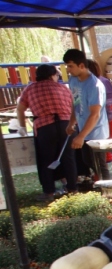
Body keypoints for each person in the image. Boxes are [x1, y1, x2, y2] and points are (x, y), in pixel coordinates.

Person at [16, 64, 78, 200]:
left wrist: (22, 127)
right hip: (66, 125)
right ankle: (72, 188)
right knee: (69, 158)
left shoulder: (30, 88)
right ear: (51, 75)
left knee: (46, 160)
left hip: (44, 127)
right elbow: (73, 107)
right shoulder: (63, 88)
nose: (57, 78)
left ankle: (49, 192)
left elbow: (20, 108)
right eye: (56, 75)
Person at [63, 49, 110, 182]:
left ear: (82, 66)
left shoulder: (94, 85)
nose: (68, 70)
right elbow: (76, 103)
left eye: (71, 66)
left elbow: (95, 114)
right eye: (67, 66)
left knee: (100, 166)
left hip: (97, 132)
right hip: (83, 129)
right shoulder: (73, 80)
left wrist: (81, 136)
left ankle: (111, 193)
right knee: (88, 162)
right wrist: (71, 122)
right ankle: (104, 190)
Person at [87, 59, 112, 179]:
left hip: (106, 120)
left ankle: (101, 179)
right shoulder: (105, 80)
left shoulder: (90, 84)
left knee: (100, 150)